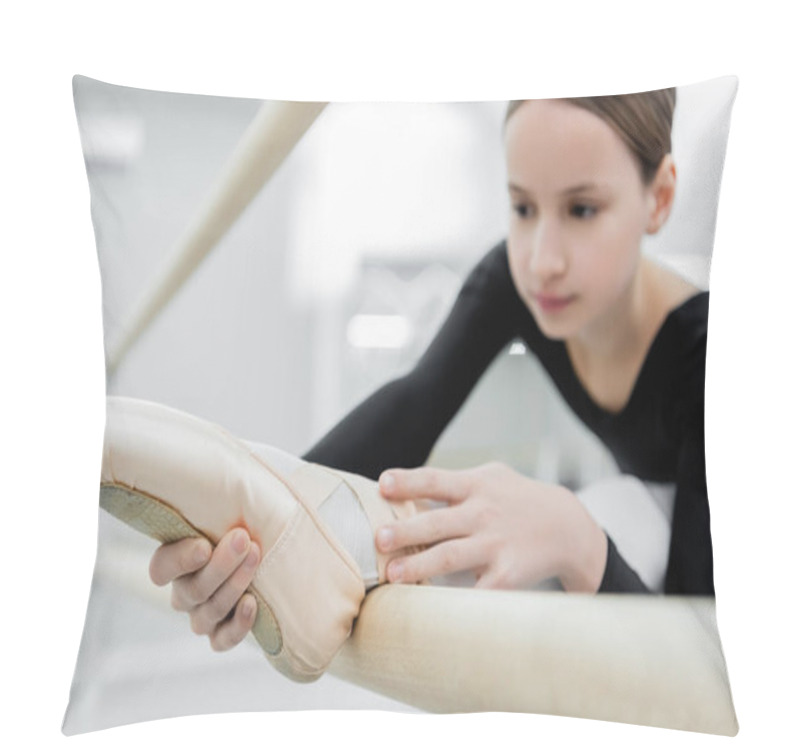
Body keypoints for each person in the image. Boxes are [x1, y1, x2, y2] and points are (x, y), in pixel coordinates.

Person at [148, 88, 714, 654]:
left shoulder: (710, 357)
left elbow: (699, 653)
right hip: (659, 533)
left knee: (609, 519)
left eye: (582, 209)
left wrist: (578, 537)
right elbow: (416, 402)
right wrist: (254, 523)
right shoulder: (516, 282)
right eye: (522, 207)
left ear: (660, 197)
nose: (542, 260)